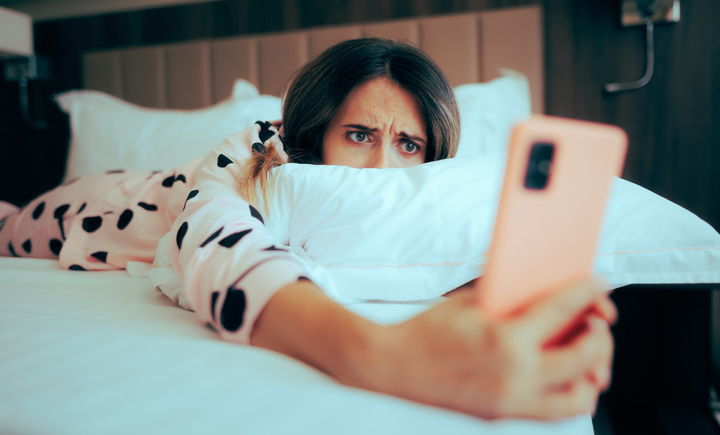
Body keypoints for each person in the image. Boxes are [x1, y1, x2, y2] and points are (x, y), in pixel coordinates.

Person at [0, 38, 615, 420]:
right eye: (359, 135)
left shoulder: (435, 194)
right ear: (315, 133)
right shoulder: (260, 152)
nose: (381, 167)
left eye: (408, 144)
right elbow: (214, 243)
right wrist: (381, 354)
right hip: (91, 208)